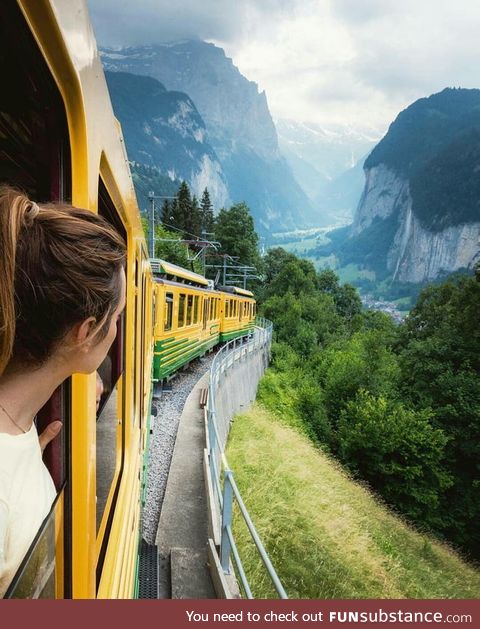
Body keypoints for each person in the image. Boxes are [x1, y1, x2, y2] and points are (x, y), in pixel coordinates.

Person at [0, 186, 126, 597]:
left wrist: (23, 462)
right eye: (117, 318)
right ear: (86, 332)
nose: (119, 332)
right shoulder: (11, 501)